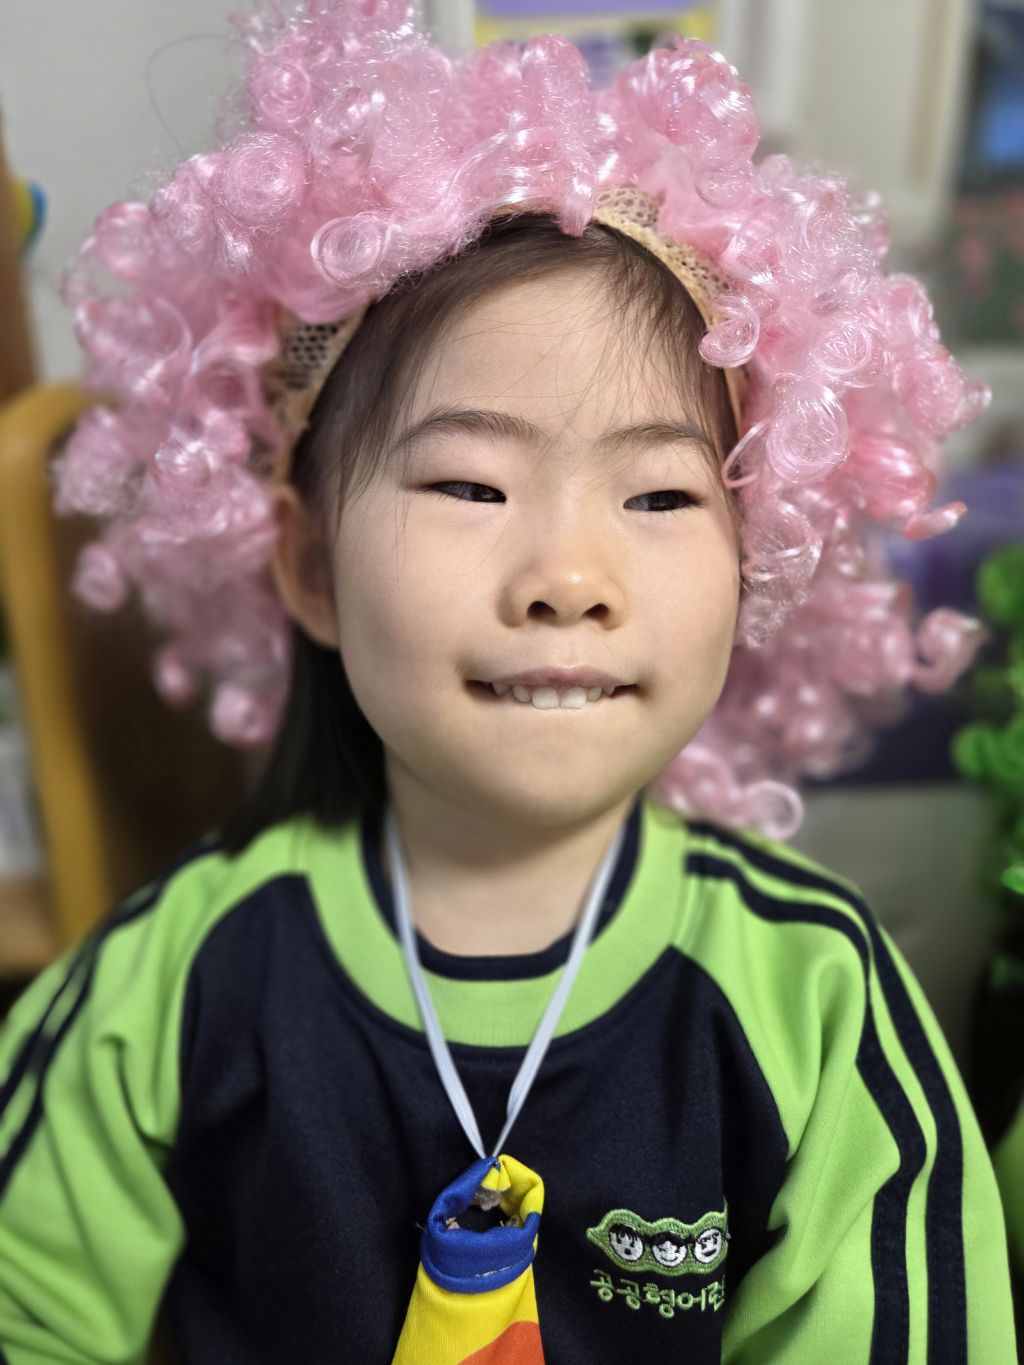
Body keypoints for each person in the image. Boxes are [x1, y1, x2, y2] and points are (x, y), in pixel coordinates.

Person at [0, 0, 1018, 1360]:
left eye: (661, 495)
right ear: (309, 565)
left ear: (754, 556)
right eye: (470, 484)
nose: (568, 576)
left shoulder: (820, 1001)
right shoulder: (172, 982)